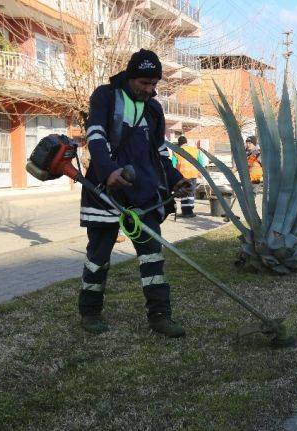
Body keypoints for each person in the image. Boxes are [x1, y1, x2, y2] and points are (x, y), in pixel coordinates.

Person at [79, 48, 192, 337]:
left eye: (154, 84)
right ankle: (90, 312)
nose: (149, 90)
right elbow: (95, 135)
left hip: (143, 193)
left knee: (152, 255)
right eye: (144, 83)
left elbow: (160, 152)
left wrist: (175, 178)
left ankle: (160, 316)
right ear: (131, 77)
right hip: (104, 191)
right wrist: (108, 171)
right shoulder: (105, 96)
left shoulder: (154, 109)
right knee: (98, 256)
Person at [174, 135, 204, 218]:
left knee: (183, 194)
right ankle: (190, 212)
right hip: (193, 175)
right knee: (191, 193)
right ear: (186, 142)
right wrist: (199, 172)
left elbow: (173, 165)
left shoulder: (177, 151)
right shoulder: (195, 150)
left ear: (179, 143)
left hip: (182, 177)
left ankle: (185, 212)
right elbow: (201, 162)